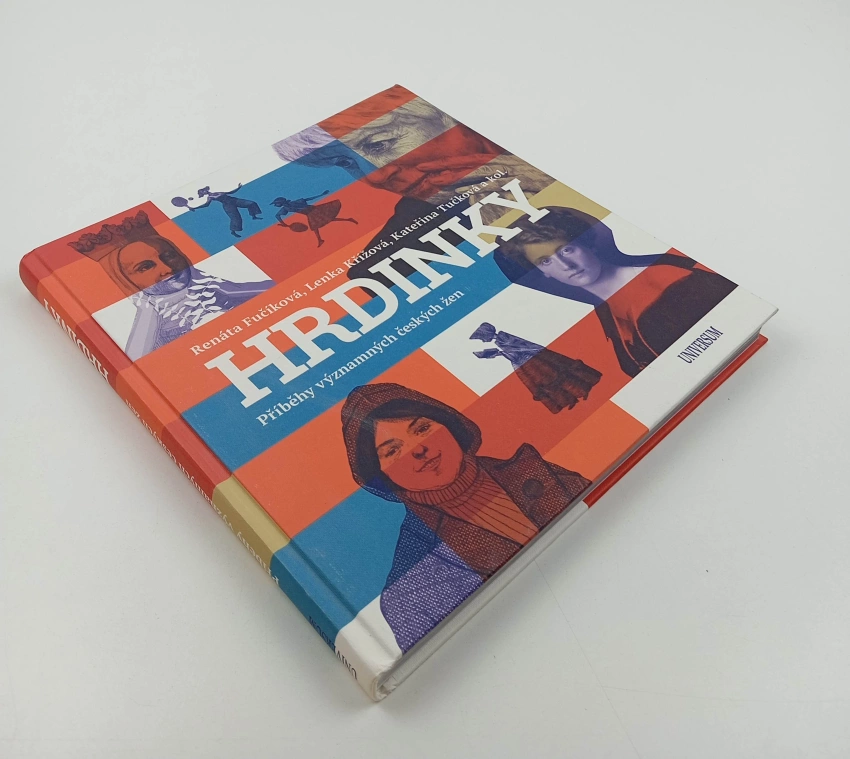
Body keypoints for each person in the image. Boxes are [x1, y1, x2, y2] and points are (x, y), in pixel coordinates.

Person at [341, 383, 590, 652]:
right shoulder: (409, 589)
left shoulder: (532, 470)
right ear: (381, 476)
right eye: (392, 451)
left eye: (422, 428)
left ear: (450, 424)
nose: (418, 449)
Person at [495, 206, 737, 377]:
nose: (565, 266)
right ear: (542, 272)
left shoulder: (667, 279)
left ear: (586, 244)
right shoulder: (604, 314)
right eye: (546, 261)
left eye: (566, 250)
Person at [68, 211, 273, 359]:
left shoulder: (222, 290)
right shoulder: (149, 332)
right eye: (145, 267)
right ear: (127, 281)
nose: (167, 268)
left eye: (169, 256)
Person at [470, 322, 601, 413]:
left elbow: (522, 347)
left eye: (482, 338)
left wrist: (501, 352)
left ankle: (582, 391)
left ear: (486, 334)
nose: (483, 340)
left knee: (555, 378)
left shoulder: (502, 337)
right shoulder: (499, 340)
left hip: (533, 361)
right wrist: (499, 353)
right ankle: (570, 399)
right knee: (546, 384)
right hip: (524, 363)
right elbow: (514, 351)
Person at [270, 191, 358, 247]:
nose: (276, 205)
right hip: (309, 214)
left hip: (314, 210)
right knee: (327, 220)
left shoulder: (293, 203)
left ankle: (320, 240)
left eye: (276, 204)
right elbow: (277, 216)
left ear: (280, 202)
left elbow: (308, 199)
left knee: (319, 224)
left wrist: (321, 194)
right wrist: (284, 224)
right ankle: (348, 219)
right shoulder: (286, 208)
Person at [184, 184, 262, 238]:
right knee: (236, 218)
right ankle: (233, 232)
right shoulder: (210, 197)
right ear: (203, 193)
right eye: (203, 191)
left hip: (234, 200)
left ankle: (254, 216)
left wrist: (238, 187)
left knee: (251, 203)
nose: (205, 191)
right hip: (228, 205)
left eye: (204, 190)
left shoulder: (216, 192)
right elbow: (206, 205)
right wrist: (195, 207)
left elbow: (230, 192)